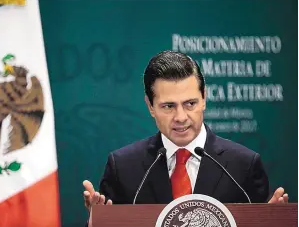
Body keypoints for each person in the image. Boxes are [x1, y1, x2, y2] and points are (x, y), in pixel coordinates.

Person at [82, 51, 289, 217]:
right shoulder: (123, 167)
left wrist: (269, 222)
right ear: (150, 106)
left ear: (204, 98)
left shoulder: (243, 165)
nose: (180, 117)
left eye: (190, 103)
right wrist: (97, 220)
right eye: (168, 106)